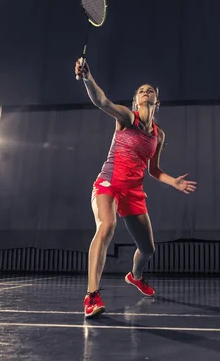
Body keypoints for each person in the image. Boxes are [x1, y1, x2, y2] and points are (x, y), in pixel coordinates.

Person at [75, 58, 197, 318]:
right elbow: (102, 101)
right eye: (141, 90)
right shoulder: (126, 118)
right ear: (135, 102)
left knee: (148, 249)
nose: (146, 92)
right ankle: (91, 296)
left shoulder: (158, 135)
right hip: (108, 184)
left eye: (150, 90)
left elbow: (153, 170)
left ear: (156, 102)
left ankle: (136, 276)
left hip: (133, 192)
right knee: (106, 226)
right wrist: (87, 77)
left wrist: (173, 181)